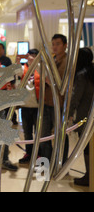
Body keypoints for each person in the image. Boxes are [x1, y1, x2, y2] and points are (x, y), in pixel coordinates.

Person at [40, 34, 69, 163]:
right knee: (44, 135)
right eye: (53, 44)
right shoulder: (52, 61)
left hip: (60, 104)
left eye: (58, 44)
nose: (55, 47)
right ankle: (47, 163)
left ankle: (61, 162)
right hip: (47, 102)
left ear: (65, 45)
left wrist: (51, 82)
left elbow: (66, 84)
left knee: (61, 135)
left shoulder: (68, 62)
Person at [69, 47, 94, 186]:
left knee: (86, 147)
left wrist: (68, 113)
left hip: (85, 117)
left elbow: (76, 97)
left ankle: (89, 176)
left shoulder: (82, 75)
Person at [17, 48, 41, 164]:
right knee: (27, 132)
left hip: (38, 107)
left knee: (38, 132)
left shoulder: (40, 68)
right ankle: (29, 153)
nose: (31, 57)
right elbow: (15, 72)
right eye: (30, 55)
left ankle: (38, 154)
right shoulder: (23, 68)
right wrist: (17, 61)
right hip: (25, 106)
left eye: (34, 55)